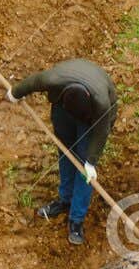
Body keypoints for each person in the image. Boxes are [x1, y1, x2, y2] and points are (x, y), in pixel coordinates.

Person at [9, 59, 118, 247]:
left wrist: (91, 162)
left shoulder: (102, 103)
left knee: (84, 169)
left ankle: (77, 219)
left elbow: (102, 131)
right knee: (66, 151)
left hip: (90, 120)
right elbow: (33, 82)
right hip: (64, 109)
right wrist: (14, 93)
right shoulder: (54, 79)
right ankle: (65, 200)